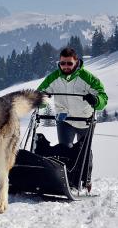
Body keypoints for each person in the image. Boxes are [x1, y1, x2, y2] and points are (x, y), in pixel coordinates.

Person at [37, 47, 108, 186]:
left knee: (84, 152)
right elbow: (40, 93)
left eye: (69, 63)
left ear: (76, 62)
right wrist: (41, 100)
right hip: (64, 119)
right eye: (63, 63)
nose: (66, 67)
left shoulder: (87, 78)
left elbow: (102, 96)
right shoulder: (53, 78)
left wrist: (96, 100)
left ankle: (85, 180)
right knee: (64, 149)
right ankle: (67, 180)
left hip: (84, 120)